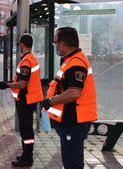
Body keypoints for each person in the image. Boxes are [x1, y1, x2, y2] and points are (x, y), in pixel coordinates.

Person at [41, 27, 97, 169]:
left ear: (63, 43)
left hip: (74, 122)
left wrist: (50, 101)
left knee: (73, 163)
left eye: (56, 43)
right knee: (70, 161)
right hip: (70, 121)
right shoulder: (70, 60)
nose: (55, 46)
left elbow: (74, 92)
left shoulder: (76, 63)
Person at [0, 33, 43, 167]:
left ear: (22, 44)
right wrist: (11, 82)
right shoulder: (31, 58)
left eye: (19, 43)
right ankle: (26, 154)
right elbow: (23, 81)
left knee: (26, 130)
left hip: (26, 100)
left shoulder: (26, 61)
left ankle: (27, 157)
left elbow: (22, 84)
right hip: (29, 99)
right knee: (26, 129)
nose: (18, 45)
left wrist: (7, 85)